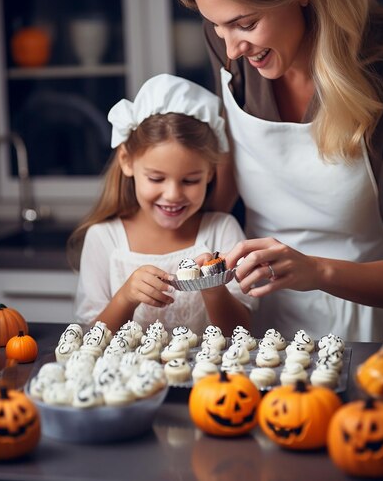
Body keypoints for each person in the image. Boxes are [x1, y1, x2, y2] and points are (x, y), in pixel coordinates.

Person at [170, 0, 383, 341]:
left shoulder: (379, 75)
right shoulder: (232, 44)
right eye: (217, 27)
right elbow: (229, 176)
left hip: (367, 336)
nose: (230, 49)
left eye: (245, 23)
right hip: (260, 328)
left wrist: (318, 272)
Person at [71, 73, 254, 336]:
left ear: (210, 173)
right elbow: (92, 338)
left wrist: (213, 287)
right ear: (127, 161)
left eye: (190, 180)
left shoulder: (222, 231)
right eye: (156, 178)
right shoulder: (103, 238)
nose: (172, 194)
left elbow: (241, 332)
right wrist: (125, 298)